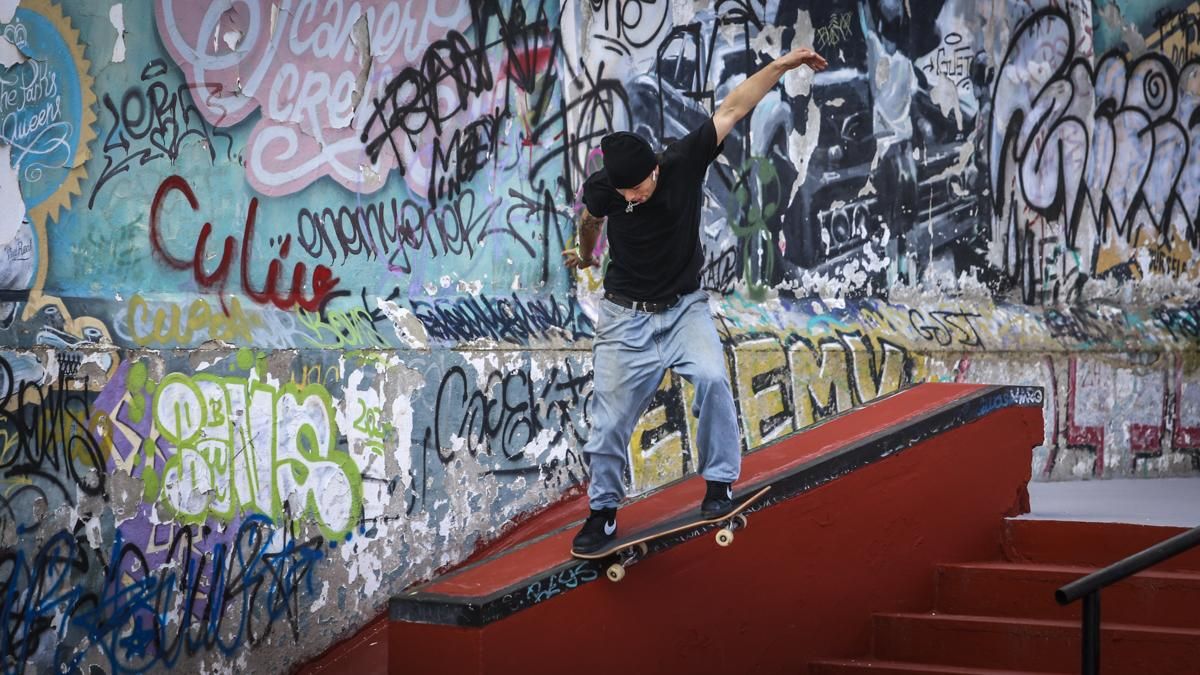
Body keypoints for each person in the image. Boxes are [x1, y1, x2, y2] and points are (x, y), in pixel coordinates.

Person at [564, 45, 828, 554]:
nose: (634, 200)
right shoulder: (606, 189)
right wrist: (587, 253)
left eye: (640, 190)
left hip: (684, 309)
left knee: (710, 379)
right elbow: (592, 217)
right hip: (625, 318)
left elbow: (732, 107)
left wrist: (784, 65)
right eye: (627, 196)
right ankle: (602, 516)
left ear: (654, 171)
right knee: (610, 418)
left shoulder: (682, 161)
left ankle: (718, 485)